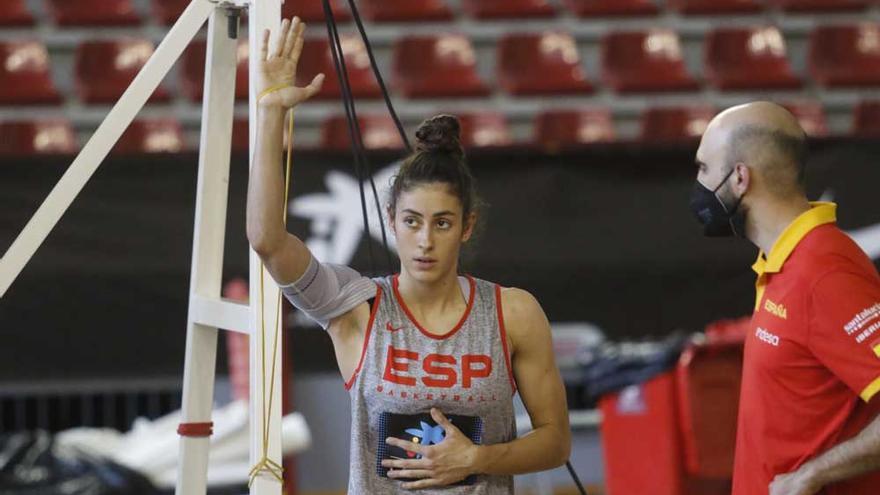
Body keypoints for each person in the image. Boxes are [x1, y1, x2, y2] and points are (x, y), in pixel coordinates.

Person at [246, 17, 571, 493]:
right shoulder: (356, 308)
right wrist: (272, 112)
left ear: (466, 227)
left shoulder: (513, 313)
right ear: (391, 221)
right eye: (413, 222)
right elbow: (266, 239)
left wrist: (476, 458)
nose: (425, 241)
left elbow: (556, 442)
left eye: (442, 223)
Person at [690, 101, 880, 495]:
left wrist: (813, 474)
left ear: (739, 178)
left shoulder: (824, 272)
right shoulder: (785, 263)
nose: (700, 185)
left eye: (704, 169)